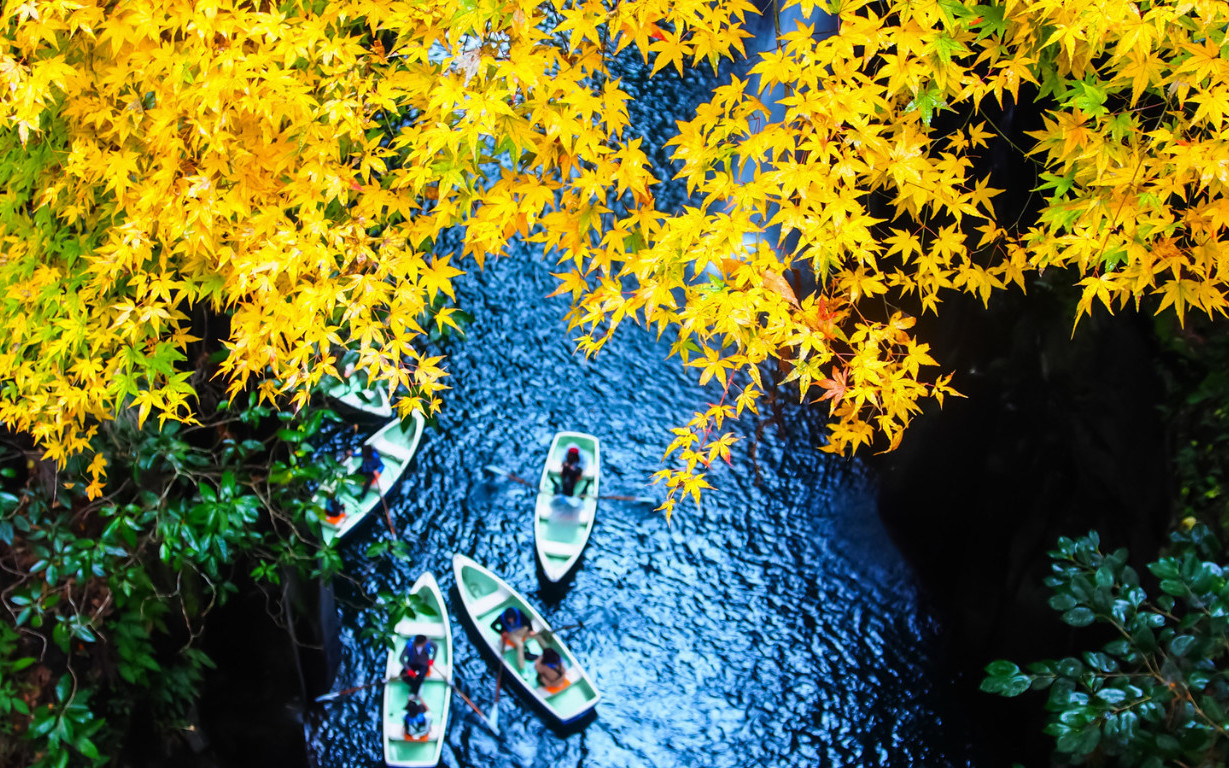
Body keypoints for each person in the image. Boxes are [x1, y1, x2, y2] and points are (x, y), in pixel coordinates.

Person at [492, 606, 534, 671]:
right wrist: (502, 632)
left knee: (529, 630)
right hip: (510, 634)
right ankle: (522, 668)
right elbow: (492, 625)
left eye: (512, 618)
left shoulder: (519, 613)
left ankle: (519, 643)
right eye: (509, 619)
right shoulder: (501, 618)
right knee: (520, 645)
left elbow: (527, 621)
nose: (511, 620)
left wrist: (531, 630)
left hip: (519, 631)